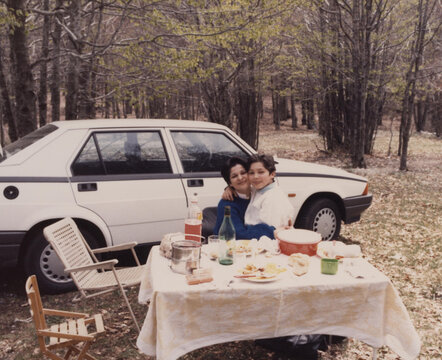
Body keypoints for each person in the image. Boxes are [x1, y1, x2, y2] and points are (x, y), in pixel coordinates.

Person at [213, 157, 275, 239]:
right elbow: (240, 234)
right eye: (234, 176)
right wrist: (272, 231)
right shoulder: (227, 204)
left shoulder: (257, 193)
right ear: (230, 183)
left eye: (243, 173)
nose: (240, 178)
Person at [244, 154, 295, 229]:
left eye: (261, 172)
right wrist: (229, 188)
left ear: (272, 174)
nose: (255, 176)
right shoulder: (259, 189)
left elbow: (269, 231)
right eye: (251, 173)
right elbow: (242, 189)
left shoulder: (273, 198)